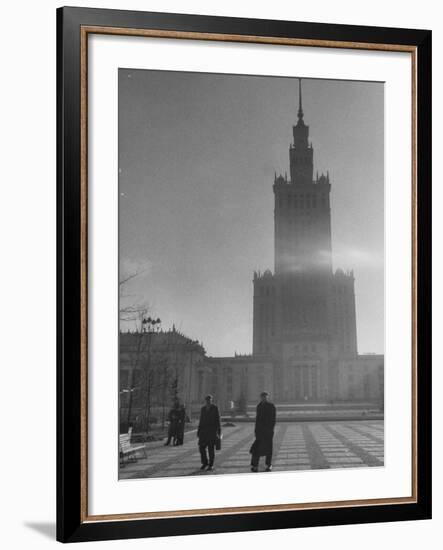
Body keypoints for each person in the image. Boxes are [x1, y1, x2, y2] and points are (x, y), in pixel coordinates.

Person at [250, 391, 276, 472]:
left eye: (265, 397)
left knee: (268, 449)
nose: (263, 398)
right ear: (260, 398)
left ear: (267, 397)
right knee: (256, 448)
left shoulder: (271, 406)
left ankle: (268, 464)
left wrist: (270, 429)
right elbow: (257, 419)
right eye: (262, 397)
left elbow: (273, 419)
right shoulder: (259, 406)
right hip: (260, 432)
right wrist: (256, 430)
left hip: (268, 432)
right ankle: (255, 465)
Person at [197, 394, 221, 471]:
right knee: (201, 448)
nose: (208, 401)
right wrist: (199, 430)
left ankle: (211, 464)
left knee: (211, 449)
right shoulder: (203, 409)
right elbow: (201, 420)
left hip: (212, 431)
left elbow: (218, 419)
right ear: (205, 400)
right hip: (203, 431)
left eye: (209, 400)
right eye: (207, 400)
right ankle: (204, 462)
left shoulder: (215, 408)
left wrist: (219, 431)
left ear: (211, 400)